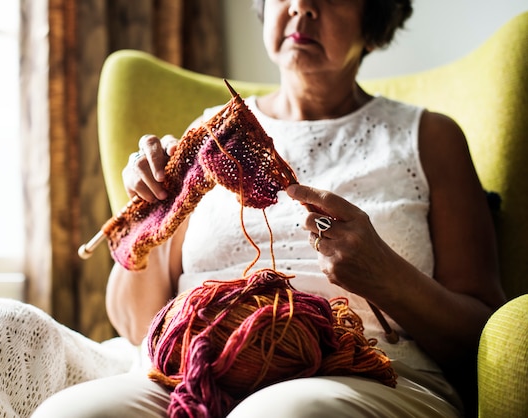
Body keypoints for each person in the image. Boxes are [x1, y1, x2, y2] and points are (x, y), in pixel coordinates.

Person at [31, 0, 506, 417]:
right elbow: (136, 326)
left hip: (371, 372)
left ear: (375, 15)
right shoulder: (211, 135)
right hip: (194, 368)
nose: (301, 6)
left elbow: (483, 334)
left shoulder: (429, 138)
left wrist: (387, 276)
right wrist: (153, 216)